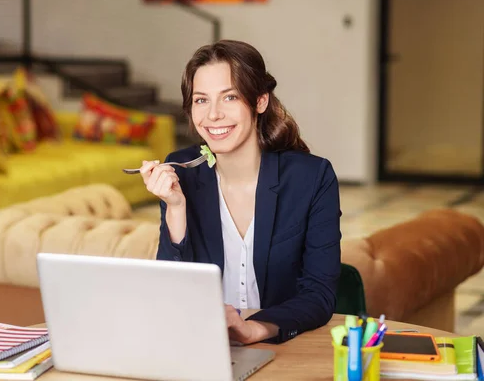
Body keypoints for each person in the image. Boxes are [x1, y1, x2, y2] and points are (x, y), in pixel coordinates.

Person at [138, 40, 341, 345]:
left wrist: (254, 329)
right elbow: (172, 293)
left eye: (229, 97)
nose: (213, 115)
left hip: (282, 347)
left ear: (260, 101)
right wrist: (176, 209)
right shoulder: (182, 173)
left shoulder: (312, 177)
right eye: (201, 100)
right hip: (200, 345)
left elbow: (319, 295)